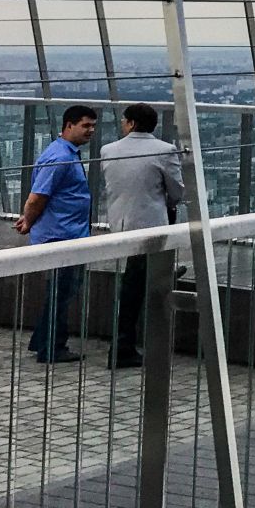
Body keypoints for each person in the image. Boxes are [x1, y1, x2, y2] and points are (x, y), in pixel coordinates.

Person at [100, 103, 184, 369]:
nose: (122, 124)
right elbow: (177, 192)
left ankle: (124, 344)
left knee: (135, 278)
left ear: (132, 124)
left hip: (120, 222)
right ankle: (123, 346)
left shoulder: (108, 150)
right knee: (136, 283)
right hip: (151, 225)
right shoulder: (165, 151)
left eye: (124, 121)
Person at [15, 104, 99, 363]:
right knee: (62, 292)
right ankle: (51, 347)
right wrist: (28, 220)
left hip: (68, 233)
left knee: (61, 291)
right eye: (85, 125)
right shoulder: (60, 157)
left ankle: (43, 340)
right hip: (60, 236)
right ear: (69, 125)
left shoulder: (66, 153)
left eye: (93, 126)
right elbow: (37, 196)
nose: (91, 131)